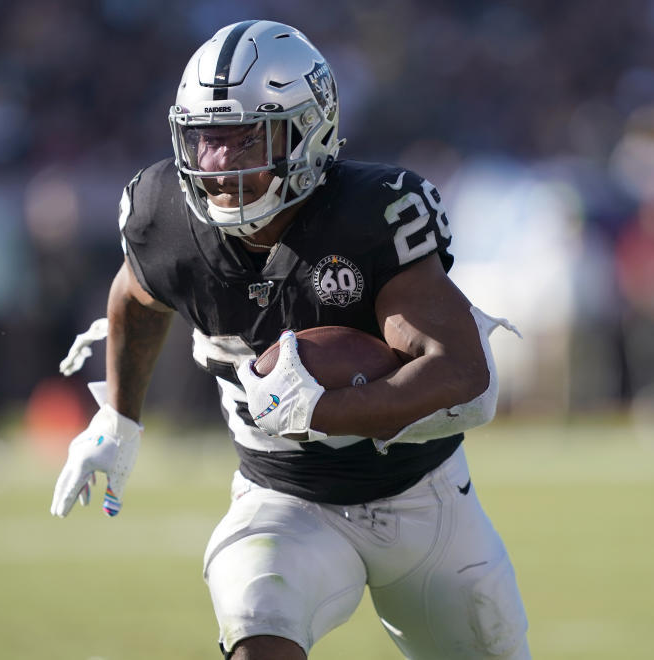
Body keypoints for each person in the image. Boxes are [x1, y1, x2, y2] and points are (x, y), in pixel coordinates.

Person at [51, 20, 529, 660]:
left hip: (424, 500)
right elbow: (136, 298)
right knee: (257, 615)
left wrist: (321, 408)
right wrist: (118, 420)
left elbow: (466, 374)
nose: (217, 166)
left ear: (311, 129)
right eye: (206, 140)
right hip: (283, 497)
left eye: (246, 139)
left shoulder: (371, 216)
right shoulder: (163, 213)